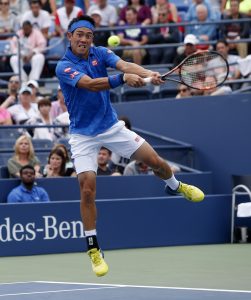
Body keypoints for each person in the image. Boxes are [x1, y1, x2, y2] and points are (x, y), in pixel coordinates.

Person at [55, 15, 204, 277]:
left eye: (88, 35)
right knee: (87, 189)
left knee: (156, 161)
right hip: (82, 135)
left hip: (111, 126)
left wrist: (149, 74)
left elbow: (124, 64)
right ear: (69, 37)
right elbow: (90, 85)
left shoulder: (100, 53)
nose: (84, 39)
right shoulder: (63, 66)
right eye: (79, 34)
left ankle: (176, 186)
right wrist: (122, 79)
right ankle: (93, 247)